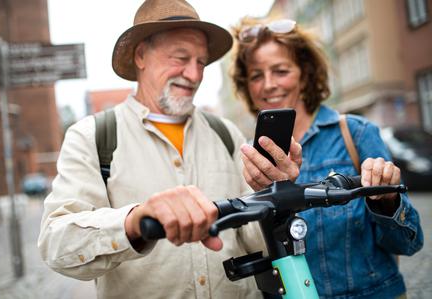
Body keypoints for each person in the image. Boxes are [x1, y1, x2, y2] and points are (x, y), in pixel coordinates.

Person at [38, 1, 302, 298]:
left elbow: (255, 240)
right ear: (141, 56)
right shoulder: (92, 137)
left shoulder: (226, 133)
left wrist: (276, 195)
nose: (193, 74)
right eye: (180, 58)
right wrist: (134, 222)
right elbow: (56, 243)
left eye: (201, 62)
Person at [231, 17, 424, 299]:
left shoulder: (355, 133)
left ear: (305, 73)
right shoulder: (249, 158)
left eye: (281, 70)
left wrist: (387, 202)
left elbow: (410, 242)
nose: (268, 85)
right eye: (256, 75)